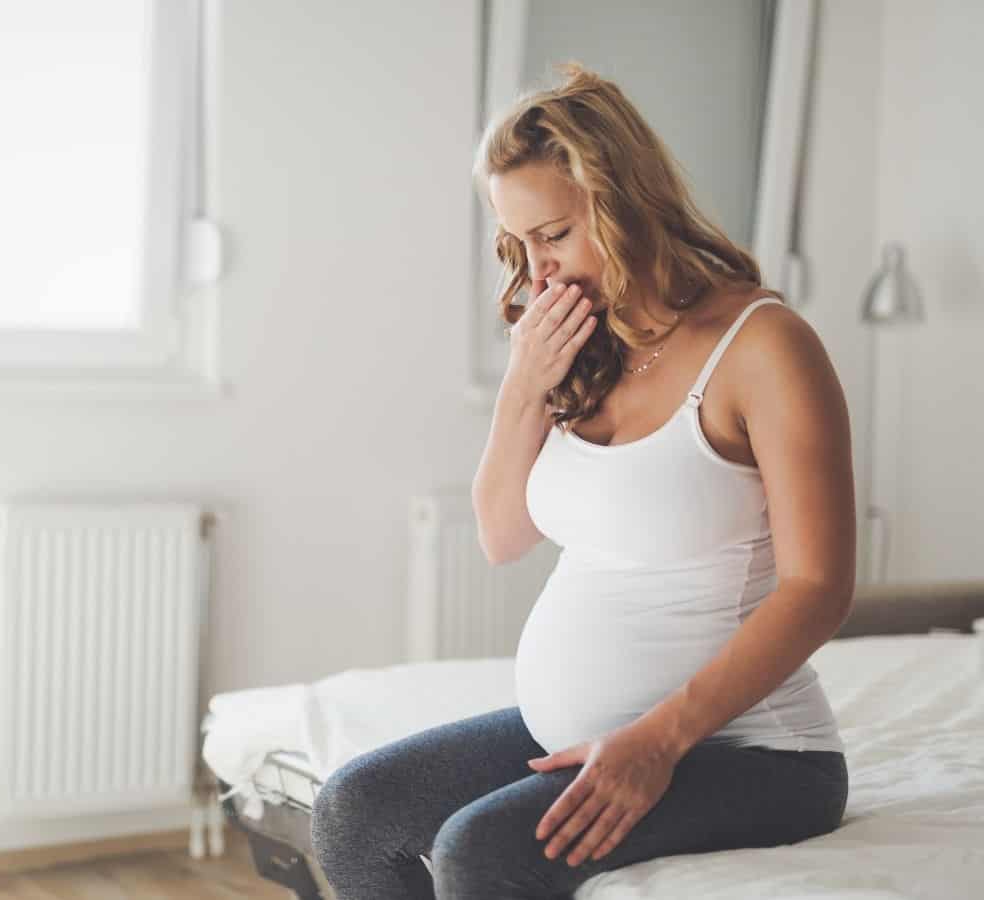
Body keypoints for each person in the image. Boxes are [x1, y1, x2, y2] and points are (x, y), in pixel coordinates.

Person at [309, 62, 854, 899]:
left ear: (627, 202)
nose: (538, 272)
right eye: (517, 243)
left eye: (555, 235)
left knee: (481, 854)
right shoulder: (581, 343)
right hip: (586, 732)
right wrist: (524, 382)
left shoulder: (765, 348)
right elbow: (501, 536)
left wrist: (658, 741)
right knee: (356, 811)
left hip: (750, 753)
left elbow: (819, 587)